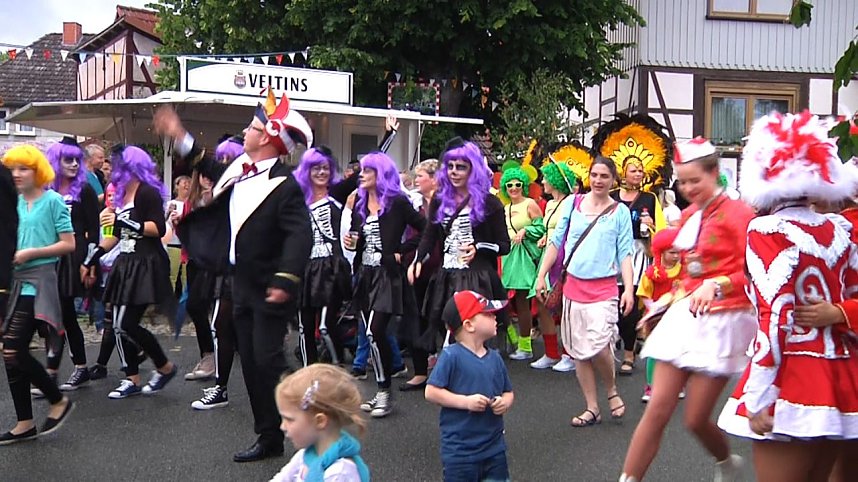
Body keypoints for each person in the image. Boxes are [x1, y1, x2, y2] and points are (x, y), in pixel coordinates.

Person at [170, 89, 314, 462]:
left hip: (270, 287)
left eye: (252, 127)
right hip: (239, 283)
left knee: (267, 359)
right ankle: (269, 437)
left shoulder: (286, 185)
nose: (245, 132)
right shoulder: (240, 170)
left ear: (267, 137)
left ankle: (314, 410)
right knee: (250, 363)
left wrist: (285, 280)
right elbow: (207, 165)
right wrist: (180, 135)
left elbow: (300, 237)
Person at [715, 111, 858, 482]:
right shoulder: (840, 228)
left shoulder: (768, 229)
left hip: (792, 375)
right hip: (839, 375)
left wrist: (760, 393)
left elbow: (776, 314)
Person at [619, 138, 756, 482]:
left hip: (726, 320)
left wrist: (717, 283)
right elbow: (686, 269)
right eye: (682, 182)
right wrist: (666, 299)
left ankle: (726, 462)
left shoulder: (741, 214)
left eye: (695, 180)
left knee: (695, 418)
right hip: (687, 314)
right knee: (658, 408)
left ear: (715, 172)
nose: (688, 188)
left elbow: (756, 272)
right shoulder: (691, 215)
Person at [534, 156, 633, 427]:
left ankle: (611, 390)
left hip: (604, 289)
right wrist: (541, 275)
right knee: (579, 351)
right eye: (594, 175)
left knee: (600, 346)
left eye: (604, 176)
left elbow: (625, 252)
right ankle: (592, 408)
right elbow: (556, 241)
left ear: (613, 180)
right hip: (573, 287)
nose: (598, 180)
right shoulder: (572, 203)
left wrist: (629, 289)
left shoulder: (620, 212)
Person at [81, 145, 179, 400]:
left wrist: (123, 221)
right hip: (126, 263)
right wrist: (93, 255)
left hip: (145, 263)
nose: (113, 169)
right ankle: (136, 377)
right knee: (119, 324)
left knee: (124, 323)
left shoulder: (147, 192)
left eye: (117, 164)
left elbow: (157, 228)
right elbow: (114, 236)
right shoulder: (122, 195)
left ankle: (161, 367)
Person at [1, 145, 75, 444]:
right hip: (14, 283)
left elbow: (68, 243)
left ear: (38, 171)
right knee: (10, 354)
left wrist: (33, 252)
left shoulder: (53, 201)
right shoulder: (12, 202)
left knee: (13, 349)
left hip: (40, 282)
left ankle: (58, 400)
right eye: (12, 169)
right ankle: (25, 422)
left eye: (24, 168)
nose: (17, 174)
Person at [408, 139, 510, 355]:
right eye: (450, 166)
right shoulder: (440, 200)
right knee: (447, 334)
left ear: (473, 170)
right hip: (446, 276)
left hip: (477, 279)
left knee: (470, 339)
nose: (454, 172)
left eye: (461, 167)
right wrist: (418, 259)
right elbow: (429, 235)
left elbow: (504, 246)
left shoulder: (489, 202)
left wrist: (478, 247)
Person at [346, 151, 424, 418]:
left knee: (374, 331)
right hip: (365, 274)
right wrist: (353, 243)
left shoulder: (397, 202)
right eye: (362, 170)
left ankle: (384, 393)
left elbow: (426, 228)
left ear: (380, 174)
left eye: (368, 170)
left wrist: (403, 250)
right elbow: (357, 238)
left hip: (387, 275)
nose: (362, 175)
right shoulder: (360, 202)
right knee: (372, 333)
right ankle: (383, 390)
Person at [425, 290, 514, 482]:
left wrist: (504, 403)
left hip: (494, 449)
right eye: (487, 314)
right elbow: (431, 391)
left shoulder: (495, 358)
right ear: (469, 325)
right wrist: (465, 402)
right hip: (460, 453)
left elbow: (508, 392)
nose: (494, 317)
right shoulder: (451, 356)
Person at [43, 137, 100, 392]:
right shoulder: (47, 190)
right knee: (51, 317)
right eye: (69, 160)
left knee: (64, 314)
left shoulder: (85, 190)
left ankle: (77, 368)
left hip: (74, 257)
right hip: (50, 255)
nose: (75, 164)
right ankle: (54, 372)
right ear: (57, 161)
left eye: (77, 160)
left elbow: (94, 231)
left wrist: (90, 262)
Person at [293, 146, 353, 366]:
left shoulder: (335, 195)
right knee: (305, 327)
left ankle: (337, 368)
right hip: (306, 268)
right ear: (307, 171)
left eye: (325, 168)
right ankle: (309, 371)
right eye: (316, 168)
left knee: (326, 326)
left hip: (331, 268)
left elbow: (362, 172)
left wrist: (388, 135)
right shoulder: (297, 202)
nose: (321, 172)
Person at [270, 364, 371, 482]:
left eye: (289, 419)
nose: (282, 426)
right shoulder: (305, 455)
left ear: (320, 421)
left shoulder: (339, 473)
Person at [528, 159, 577, 371]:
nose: (543, 182)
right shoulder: (549, 204)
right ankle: (551, 353)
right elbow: (550, 230)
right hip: (548, 256)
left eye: (546, 178)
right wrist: (544, 238)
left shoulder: (572, 203)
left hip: (563, 257)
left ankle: (569, 354)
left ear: (556, 181)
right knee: (543, 302)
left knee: (565, 306)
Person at [399, 159, 440, 391]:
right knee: (416, 318)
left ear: (434, 179)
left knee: (443, 318)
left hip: (440, 268)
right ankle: (420, 372)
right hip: (416, 268)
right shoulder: (414, 204)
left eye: (420, 176)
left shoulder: (445, 205)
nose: (415, 180)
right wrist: (405, 253)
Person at [500, 166, 544, 361]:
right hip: (507, 256)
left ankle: (525, 347)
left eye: (517, 184)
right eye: (509, 185)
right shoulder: (505, 208)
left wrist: (525, 231)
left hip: (524, 257)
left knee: (521, 299)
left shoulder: (530, 204)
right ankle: (513, 338)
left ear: (523, 186)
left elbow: (541, 228)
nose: (513, 188)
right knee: (502, 299)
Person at [635, 227, 681, 402]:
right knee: (654, 353)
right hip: (655, 318)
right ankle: (651, 386)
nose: (676, 256)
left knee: (676, 352)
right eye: (671, 252)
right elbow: (644, 293)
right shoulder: (651, 273)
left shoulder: (683, 271)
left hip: (677, 317)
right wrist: (654, 308)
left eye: (678, 252)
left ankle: (676, 385)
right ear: (661, 252)